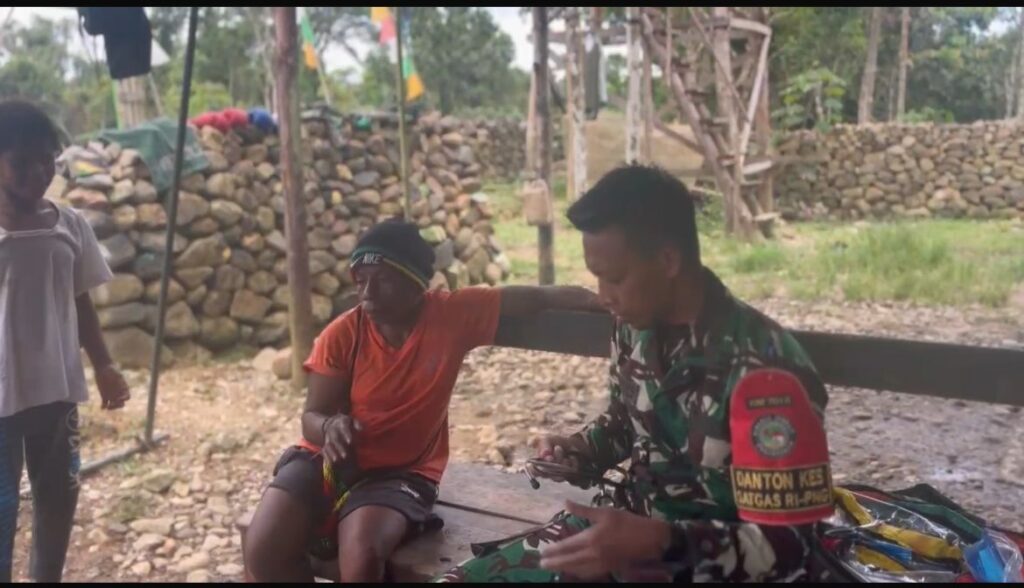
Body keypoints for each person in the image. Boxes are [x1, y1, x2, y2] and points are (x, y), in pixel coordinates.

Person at [434, 164, 832, 583]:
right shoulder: (633, 325)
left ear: (668, 260)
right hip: (618, 536)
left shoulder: (765, 372)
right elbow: (628, 420)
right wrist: (580, 450)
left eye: (615, 279)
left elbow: (789, 548)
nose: (603, 296)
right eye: (597, 279)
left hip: (708, 567)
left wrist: (662, 542)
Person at [243, 219, 603, 583]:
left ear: (416, 284)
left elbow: (537, 298)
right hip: (329, 460)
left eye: (383, 280)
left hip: (403, 471)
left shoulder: (452, 314)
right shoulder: (342, 334)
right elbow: (311, 416)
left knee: (361, 561)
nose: (367, 293)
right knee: (262, 551)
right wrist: (329, 426)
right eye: (361, 280)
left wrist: (601, 299)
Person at [0, 99, 131, 582]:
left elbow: (80, 299)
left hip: (57, 392)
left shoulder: (69, 224)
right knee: (2, 509)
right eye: (21, 163)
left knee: (57, 502)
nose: (38, 173)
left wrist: (104, 365)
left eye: (47, 160)